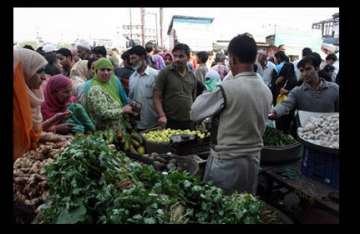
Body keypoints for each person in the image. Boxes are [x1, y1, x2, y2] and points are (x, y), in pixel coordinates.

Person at [190, 33, 272, 194]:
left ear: (233, 59)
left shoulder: (228, 88)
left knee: (222, 209)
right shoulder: (266, 90)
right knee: (243, 208)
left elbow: (195, 112)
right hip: (252, 162)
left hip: (227, 164)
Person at [13, 48, 68, 160]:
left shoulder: (32, 96)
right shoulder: (16, 103)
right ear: (23, 71)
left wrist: (55, 137)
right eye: (38, 71)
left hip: (26, 158)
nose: (43, 77)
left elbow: (32, 133)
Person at [269, 54, 339, 121]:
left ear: (317, 68)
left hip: (330, 130)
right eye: (302, 71)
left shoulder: (334, 89)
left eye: (308, 69)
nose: (304, 74)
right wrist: (275, 112)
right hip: (306, 131)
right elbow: (285, 104)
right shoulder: (297, 91)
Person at [153, 43, 197, 130]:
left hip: (189, 121)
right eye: (175, 56)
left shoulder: (191, 75)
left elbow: (193, 97)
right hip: (170, 121)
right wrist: (162, 116)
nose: (177, 59)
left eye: (181, 56)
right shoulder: (165, 73)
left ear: (188, 58)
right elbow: (156, 97)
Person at [83, 58, 134, 131]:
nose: (106, 72)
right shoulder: (95, 89)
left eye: (109, 70)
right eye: (102, 69)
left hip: (118, 131)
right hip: (106, 133)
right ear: (96, 71)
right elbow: (102, 113)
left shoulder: (112, 83)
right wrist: (122, 110)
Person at [128, 46, 159, 130]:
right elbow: (131, 99)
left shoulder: (155, 75)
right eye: (130, 59)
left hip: (154, 124)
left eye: (133, 58)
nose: (131, 62)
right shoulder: (132, 77)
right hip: (137, 124)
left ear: (142, 57)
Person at [270, 50, 297, 133]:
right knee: (286, 119)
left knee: (280, 119)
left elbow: (276, 81)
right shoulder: (294, 79)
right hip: (288, 105)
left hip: (279, 98)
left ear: (278, 58)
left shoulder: (278, 67)